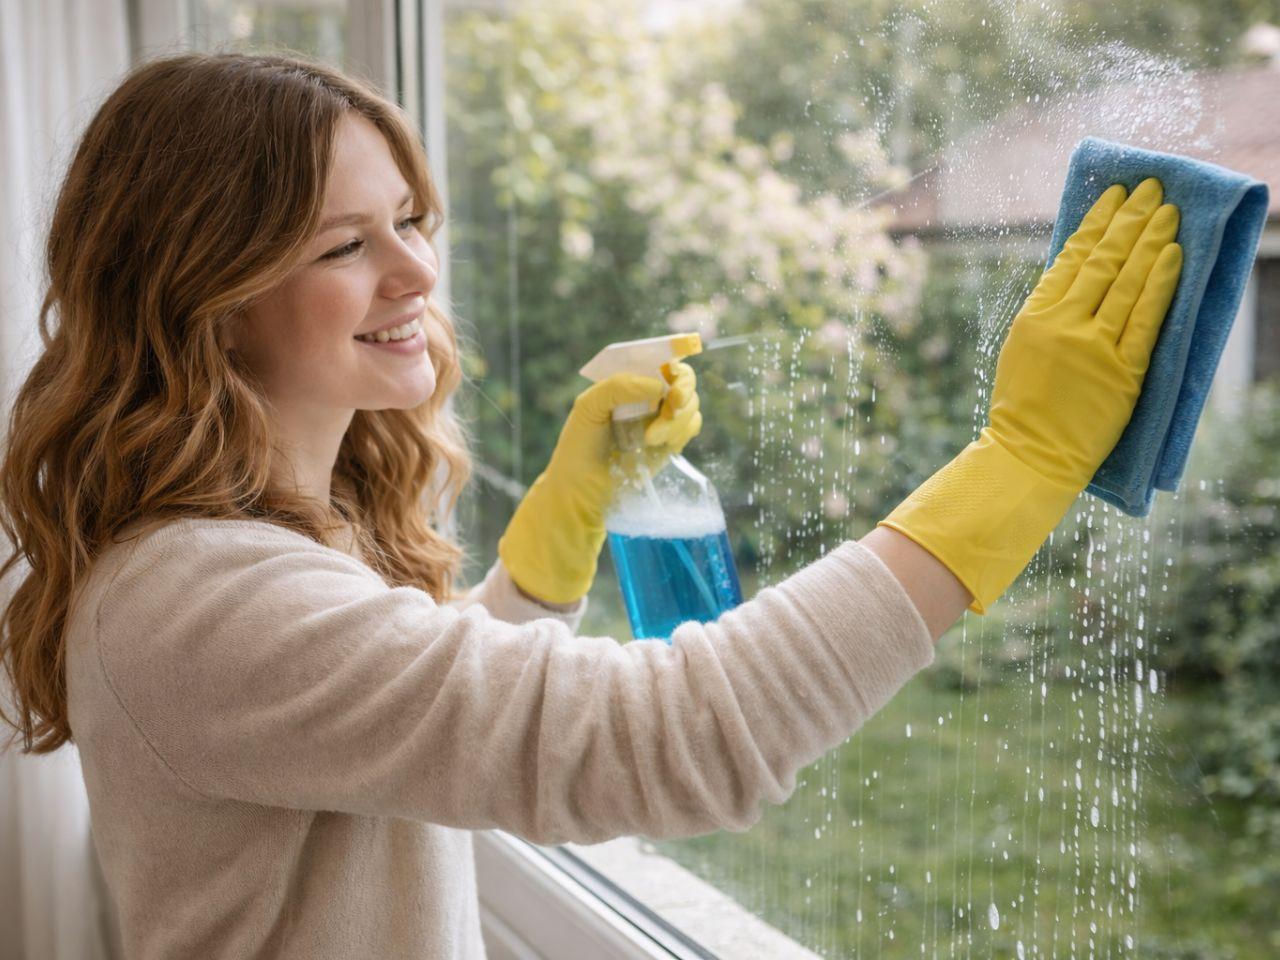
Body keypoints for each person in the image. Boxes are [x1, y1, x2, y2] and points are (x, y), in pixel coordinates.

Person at [0, 51, 1181, 959]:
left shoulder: (266, 543)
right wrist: (1015, 465)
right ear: (207, 298)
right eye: (342, 246)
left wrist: (560, 528)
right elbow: (663, 743)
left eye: (409, 219)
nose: (415, 270)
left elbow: (418, 729)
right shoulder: (196, 596)